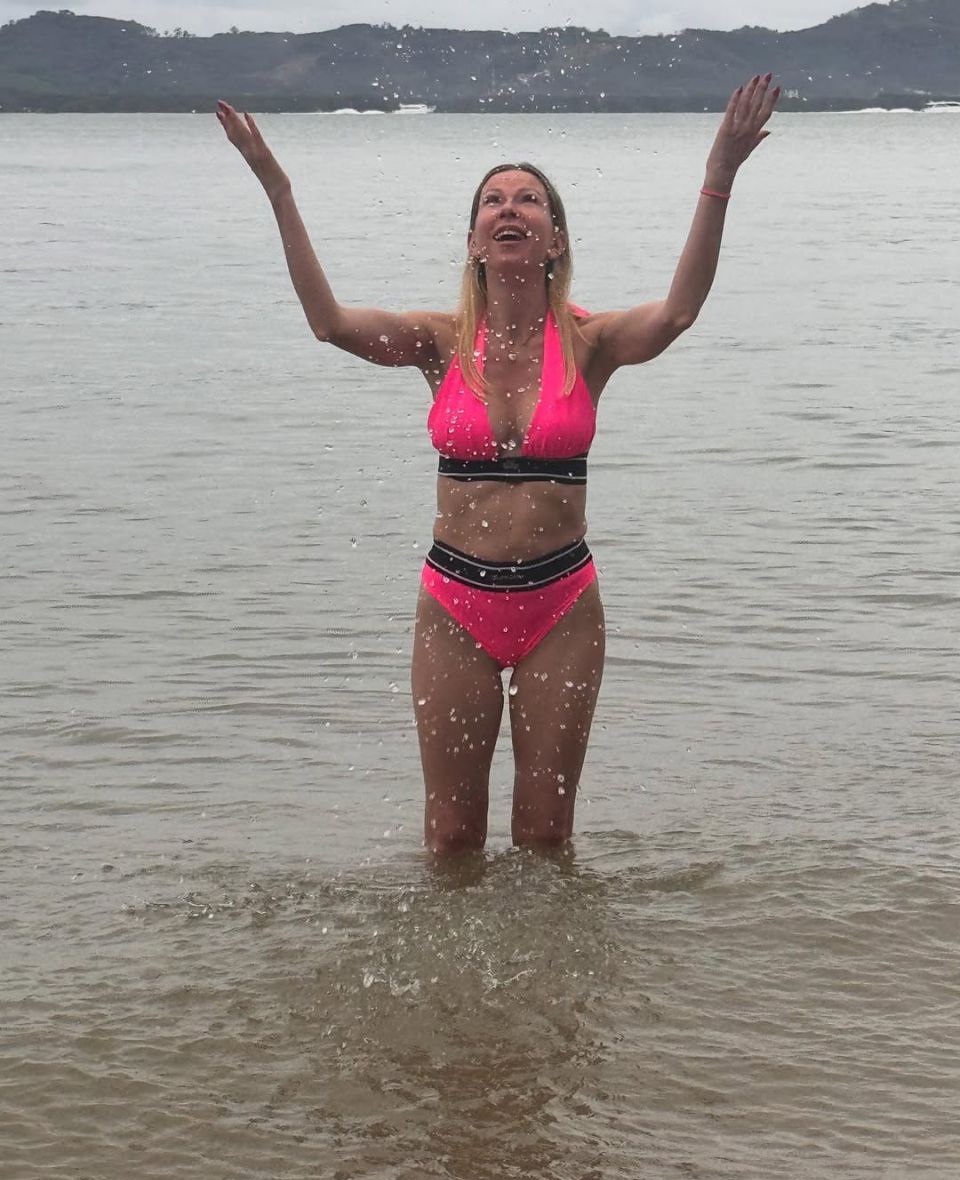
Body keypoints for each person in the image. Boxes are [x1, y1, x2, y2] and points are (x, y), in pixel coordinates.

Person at [216, 75, 780, 856]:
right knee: (451, 836)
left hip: (561, 605)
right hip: (455, 604)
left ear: (555, 239)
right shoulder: (439, 341)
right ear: (475, 240)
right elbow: (329, 324)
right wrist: (277, 189)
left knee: (546, 836)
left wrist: (720, 174)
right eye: (493, 201)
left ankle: (551, 944)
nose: (509, 208)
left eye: (528, 200)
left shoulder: (591, 342)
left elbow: (678, 311)